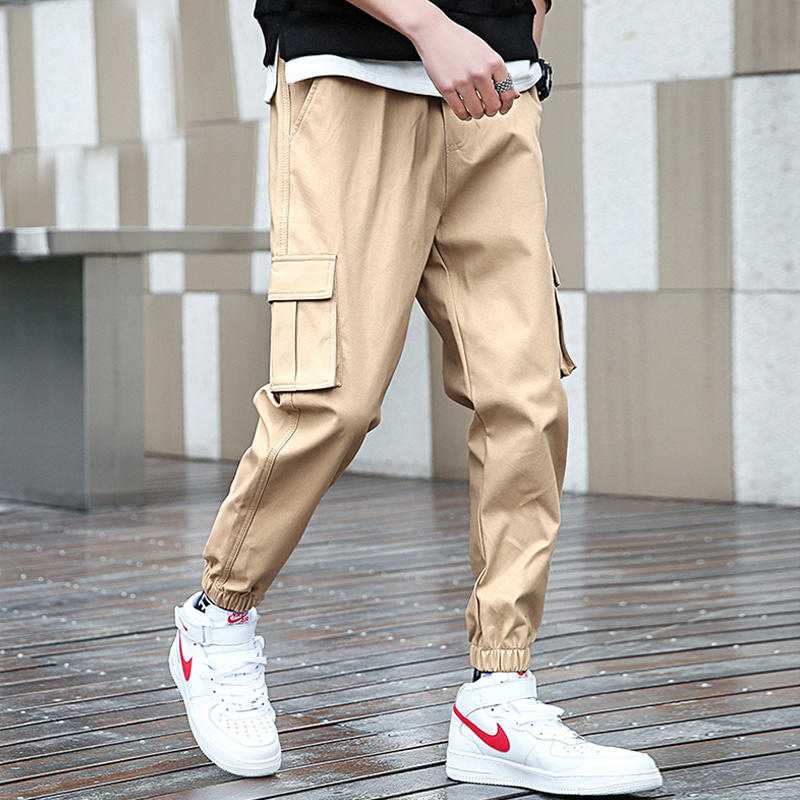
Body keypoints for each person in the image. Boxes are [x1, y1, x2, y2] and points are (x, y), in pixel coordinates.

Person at [169, 0, 663, 794]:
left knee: (526, 397)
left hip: (494, 90)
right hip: (351, 70)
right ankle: (218, 616)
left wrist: (531, 14)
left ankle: (499, 694)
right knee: (334, 396)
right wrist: (427, 25)